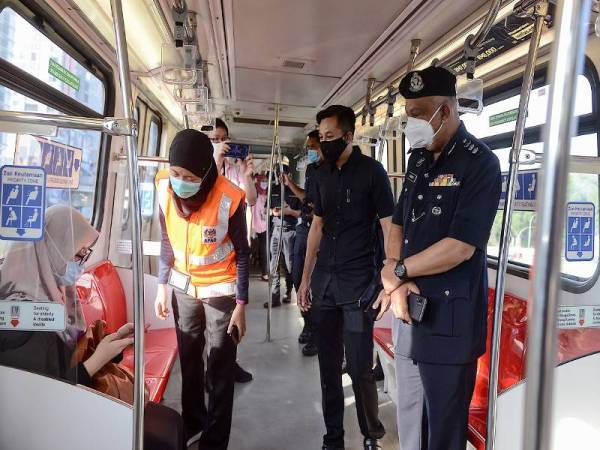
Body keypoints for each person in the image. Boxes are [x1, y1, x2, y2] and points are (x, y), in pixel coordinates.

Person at [380, 67, 501, 450]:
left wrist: (398, 271)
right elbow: (398, 224)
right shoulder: (417, 160)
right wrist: (395, 281)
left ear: (445, 112)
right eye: (408, 114)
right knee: (411, 428)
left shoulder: (479, 163)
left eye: (418, 114)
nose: (411, 123)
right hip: (407, 315)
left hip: (448, 327)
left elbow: (460, 246)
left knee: (444, 437)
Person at [0, 205, 184, 450]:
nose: (81, 265)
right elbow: (44, 397)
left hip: (75, 398)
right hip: (55, 420)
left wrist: (114, 342)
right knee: (168, 432)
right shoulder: (21, 317)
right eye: (78, 255)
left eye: (85, 256)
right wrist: (99, 359)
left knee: (170, 425)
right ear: (54, 249)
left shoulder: (55, 292)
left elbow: (69, 355)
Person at [297, 105, 394, 450]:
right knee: (327, 371)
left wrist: (389, 275)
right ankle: (333, 437)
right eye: (320, 138)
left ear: (348, 136)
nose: (324, 144)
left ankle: (371, 435)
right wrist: (305, 278)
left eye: (330, 138)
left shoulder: (372, 172)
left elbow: (387, 225)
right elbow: (317, 228)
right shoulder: (320, 175)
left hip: (358, 284)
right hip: (324, 284)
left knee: (358, 368)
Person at [154, 129, 250, 450]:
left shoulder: (230, 198)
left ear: (206, 171)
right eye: (176, 173)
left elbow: (244, 253)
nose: (179, 181)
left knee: (219, 368)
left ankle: (214, 440)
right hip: (183, 289)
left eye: (189, 176)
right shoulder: (164, 190)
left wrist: (241, 304)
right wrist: (160, 285)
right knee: (189, 359)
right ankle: (193, 420)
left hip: (222, 293)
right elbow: (167, 241)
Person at [209, 118, 254, 384]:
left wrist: (246, 176)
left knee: (229, 319)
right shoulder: (203, 168)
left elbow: (250, 199)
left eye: (223, 138)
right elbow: (206, 193)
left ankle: (229, 363)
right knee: (207, 328)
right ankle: (212, 372)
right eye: (214, 139)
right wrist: (214, 159)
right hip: (207, 255)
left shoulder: (234, 171)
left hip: (231, 254)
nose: (221, 143)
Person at [281, 130, 323, 356]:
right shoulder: (311, 170)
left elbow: (322, 206)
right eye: (308, 147)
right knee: (298, 278)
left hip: (318, 233)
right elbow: (307, 198)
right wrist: (289, 185)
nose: (310, 151)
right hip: (303, 230)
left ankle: (317, 332)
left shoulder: (330, 172)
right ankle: (308, 322)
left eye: (313, 147)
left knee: (314, 284)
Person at [265, 157, 301, 309]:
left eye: (283, 175)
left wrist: (289, 211)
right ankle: (274, 297)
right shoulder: (271, 190)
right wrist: (273, 212)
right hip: (276, 231)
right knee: (273, 264)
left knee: (290, 265)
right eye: (278, 175)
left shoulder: (295, 190)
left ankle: (289, 292)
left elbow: (301, 213)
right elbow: (265, 210)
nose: (280, 178)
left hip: (289, 232)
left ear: (288, 175)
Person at [252, 173, 269, 281]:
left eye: (266, 181)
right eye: (262, 181)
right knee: (263, 248)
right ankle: (264, 272)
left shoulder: (269, 193)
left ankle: (266, 271)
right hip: (258, 225)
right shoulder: (254, 193)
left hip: (268, 224)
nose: (264, 183)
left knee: (266, 248)